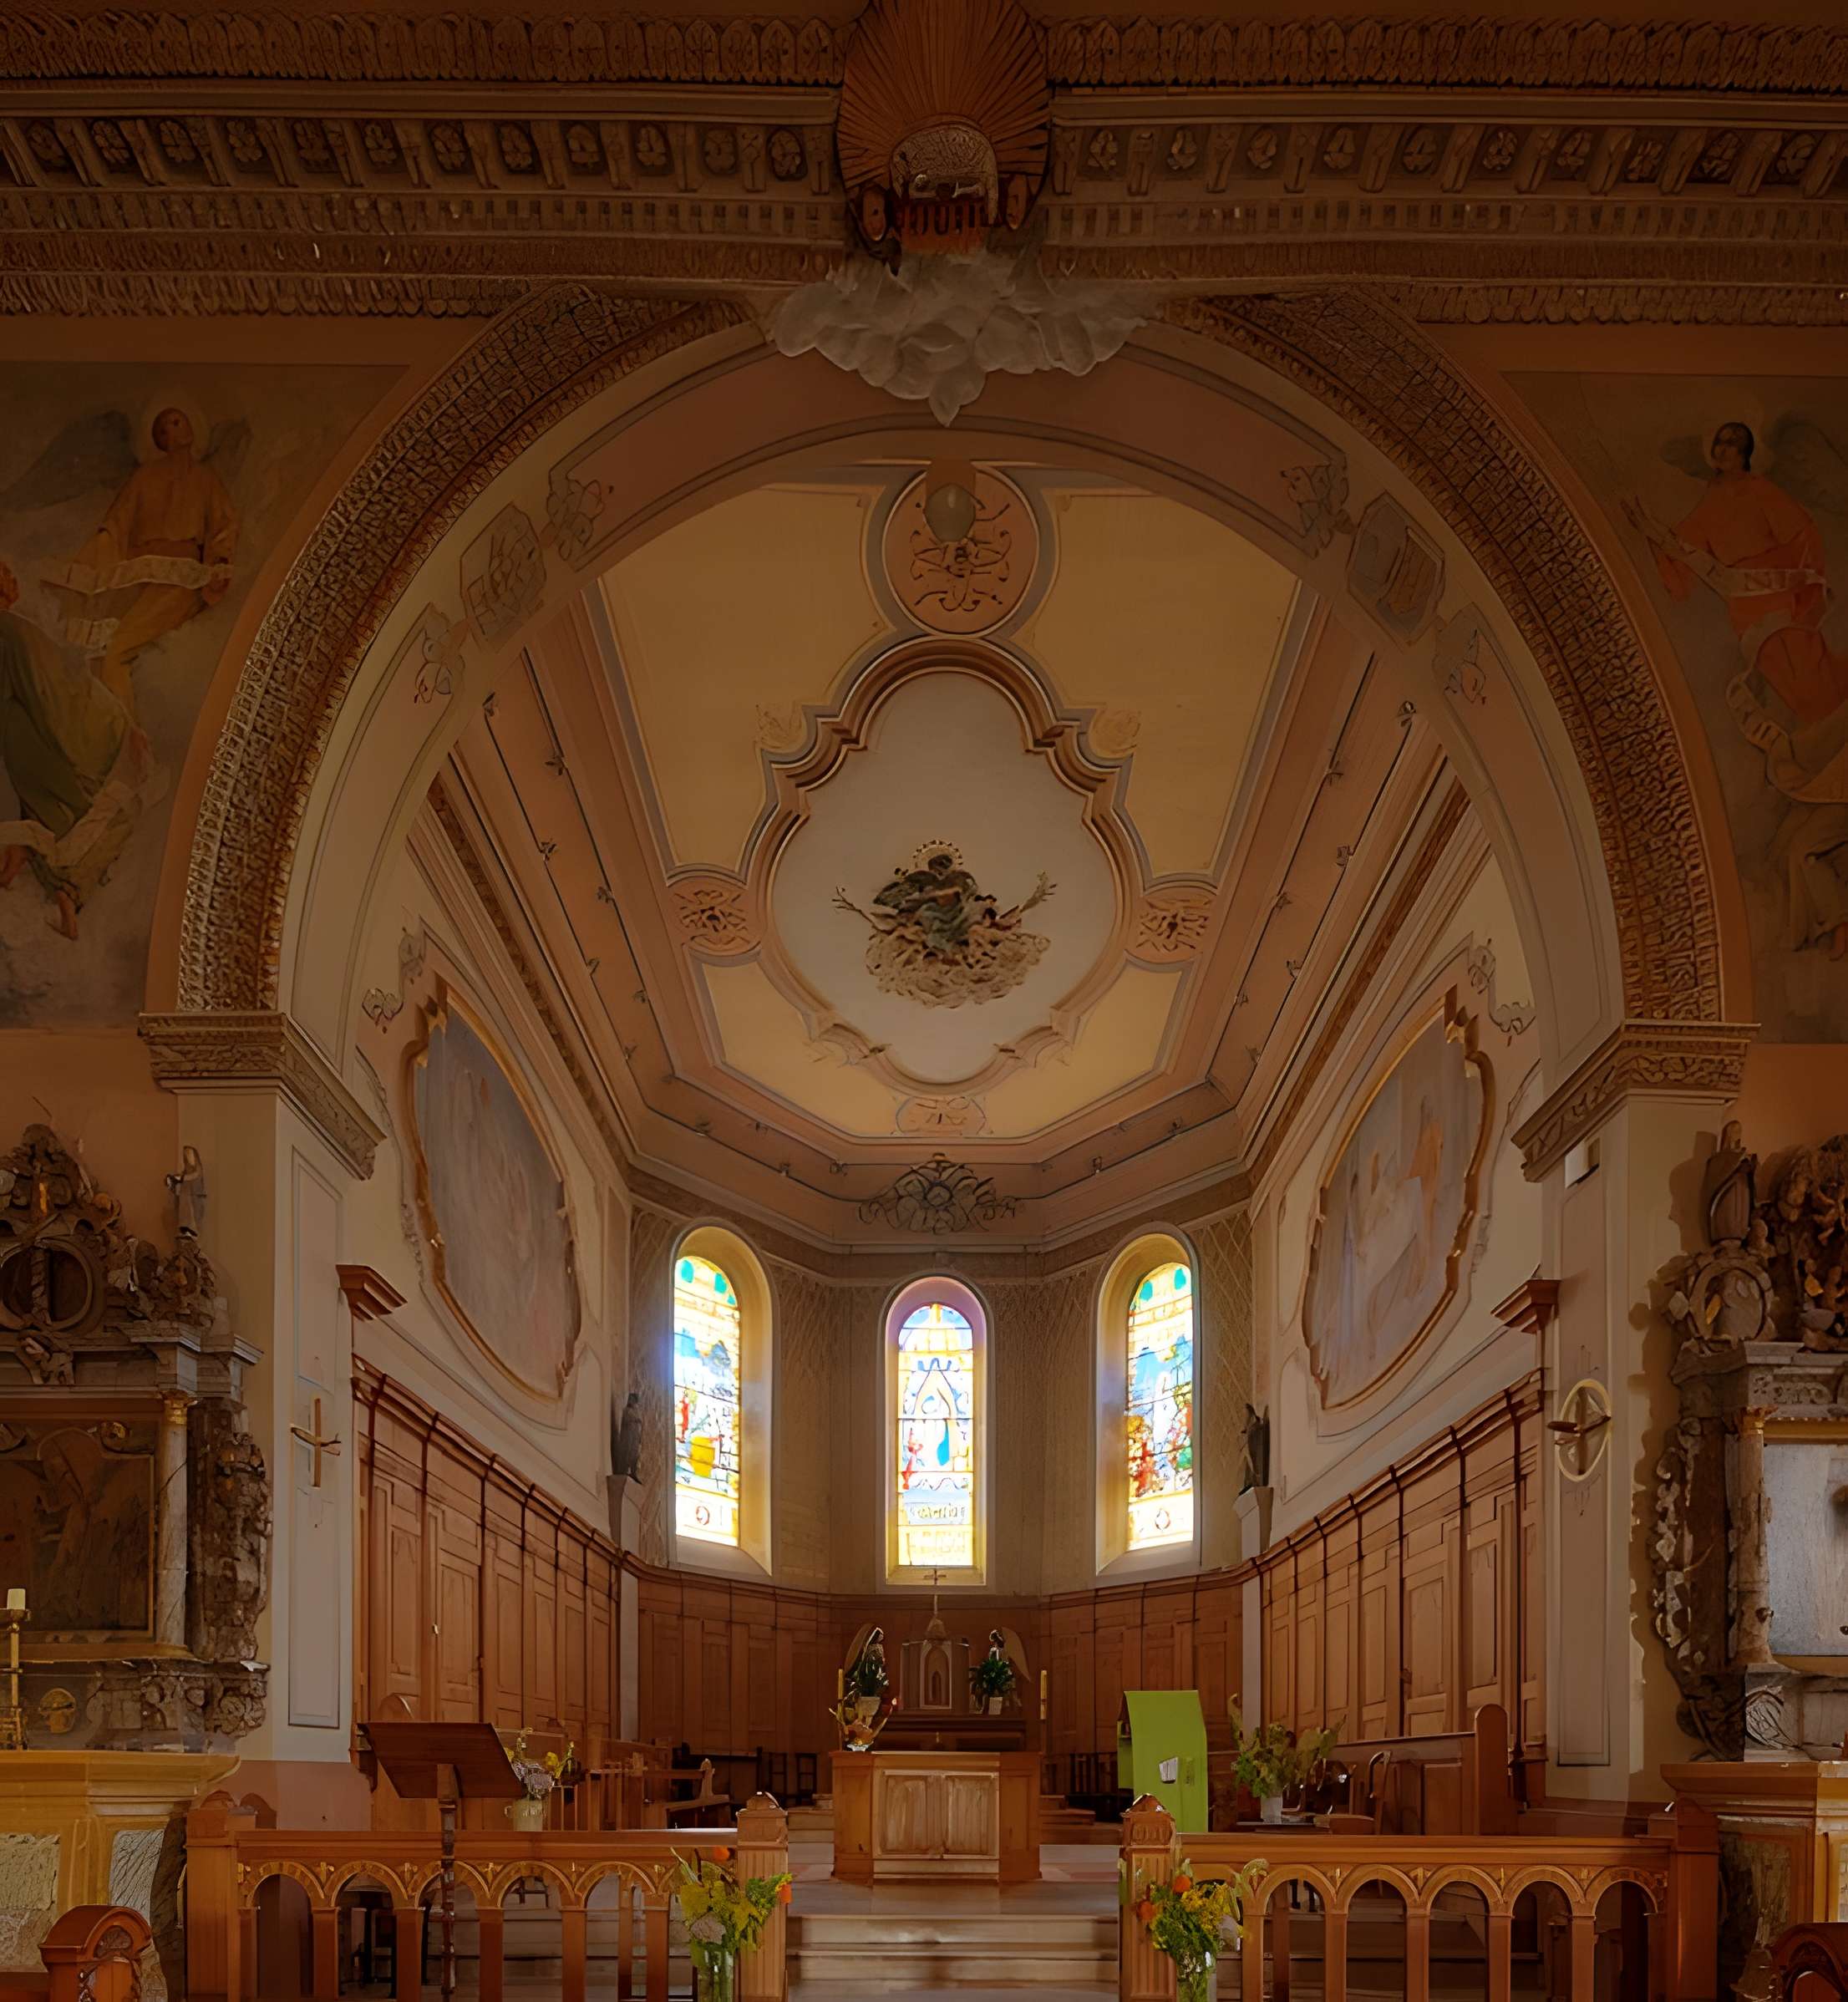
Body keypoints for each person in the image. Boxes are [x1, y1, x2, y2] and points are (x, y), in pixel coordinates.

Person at [45, 404, 238, 714]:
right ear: (159, 438)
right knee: (97, 651)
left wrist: (220, 561)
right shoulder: (145, 477)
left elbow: (224, 525)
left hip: (178, 577)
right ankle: (112, 731)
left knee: (115, 652)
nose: (175, 429)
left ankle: (126, 734)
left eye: (178, 421)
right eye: (165, 426)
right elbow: (116, 524)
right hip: (139, 572)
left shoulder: (205, 479)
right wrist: (84, 565)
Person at [0, 558, 155, 940]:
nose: (13, 579)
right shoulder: (11, 630)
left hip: (34, 746)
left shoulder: (15, 630)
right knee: (110, 810)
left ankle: (66, 896)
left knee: (64, 823)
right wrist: (76, 745)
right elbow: (50, 691)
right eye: (6, 575)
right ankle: (68, 895)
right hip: (66, 738)